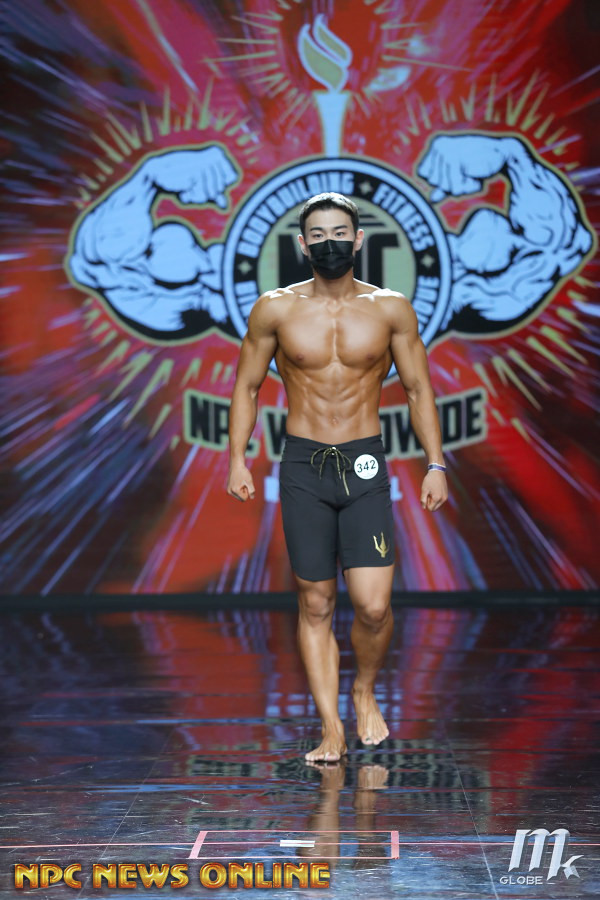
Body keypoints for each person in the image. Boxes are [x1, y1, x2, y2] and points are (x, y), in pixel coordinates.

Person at [227, 192, 448, 762]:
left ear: (358, 239)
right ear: (303, 245)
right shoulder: (275, 309)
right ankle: (331, 727)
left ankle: (364, 689)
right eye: (319, 235)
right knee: (317, 603)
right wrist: (237, 458)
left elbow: (418, 388)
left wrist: (436, 463)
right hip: (303, 465)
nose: (330, 243)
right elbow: (247, 386)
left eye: (339, 233)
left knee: (373, 607)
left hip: (364, 462)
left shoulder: (390, 308)